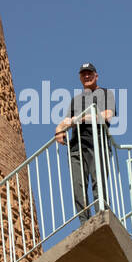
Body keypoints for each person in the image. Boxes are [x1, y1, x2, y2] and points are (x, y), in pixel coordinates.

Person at [54, 63, 116, 223]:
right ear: (80, 77)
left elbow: (106, 115)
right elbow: (66, 121)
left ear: (96, 75)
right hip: (76, 146)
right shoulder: (76, 100)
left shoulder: (106, 93)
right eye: (83, 74)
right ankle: (84, 222)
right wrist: (59, 128)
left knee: (98, 182)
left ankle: (102, 215)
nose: (86, 76)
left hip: (97, 143)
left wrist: (79, 119)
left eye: (89, 73)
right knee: (78, 186)